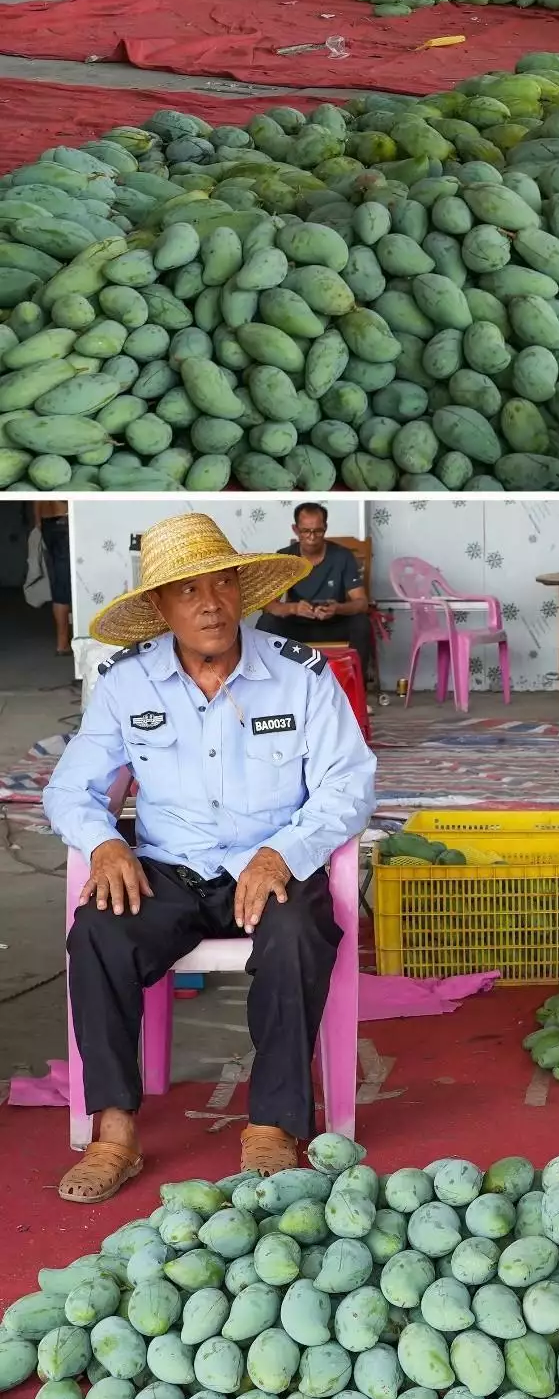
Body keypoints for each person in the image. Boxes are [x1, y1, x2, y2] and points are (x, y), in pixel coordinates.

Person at [45, 512, 376, 1205]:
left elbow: (350, 783)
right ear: (160, 608)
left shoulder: (300, 676)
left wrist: (281, 855)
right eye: (188, 591)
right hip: (168, 868)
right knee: (98, 930)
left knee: (295, 934)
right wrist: (104, 842)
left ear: (243, 593)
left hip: (271, 862)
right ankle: (113, 1132)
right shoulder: (126, 682)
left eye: (223, 583)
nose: (210, 603)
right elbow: (69, 787)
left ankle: (273, 1124)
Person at [256, 504, 374, 689]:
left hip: (333, 624)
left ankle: (357, 691)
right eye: (305, 531)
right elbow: (269, 605)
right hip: (297, 626)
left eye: (317, 531)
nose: (311, 537)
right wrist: (294, 608)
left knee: (361, 623)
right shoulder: (284, 557)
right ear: (296, 529)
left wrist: (338, 608)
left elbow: (361, 603)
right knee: (266, 623)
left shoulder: (342, 556)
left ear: (325, 527)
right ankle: (269, 689)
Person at [34, 501, 71, 655]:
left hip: (46, 521)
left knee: (59, 582)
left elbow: (36, 499)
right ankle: (62, 644)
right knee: (64, 583)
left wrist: (38, 523)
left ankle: (62, 642)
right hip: (64, 518)